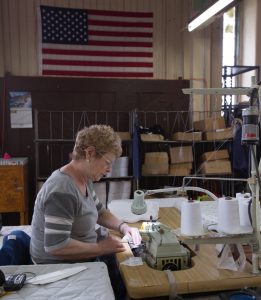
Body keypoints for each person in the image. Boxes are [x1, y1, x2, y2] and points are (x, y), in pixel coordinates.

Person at [30, 125, 141, 299]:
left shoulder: (83, 178)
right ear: (89, 153)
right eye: (107, 163)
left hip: (81, 255)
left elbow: (100, 212)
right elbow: (56, 246)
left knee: (125, 268)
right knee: (127, 276)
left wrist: (123, 227)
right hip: (58, 268)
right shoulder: (62, 190)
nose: (109, 169)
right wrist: (100, 248)